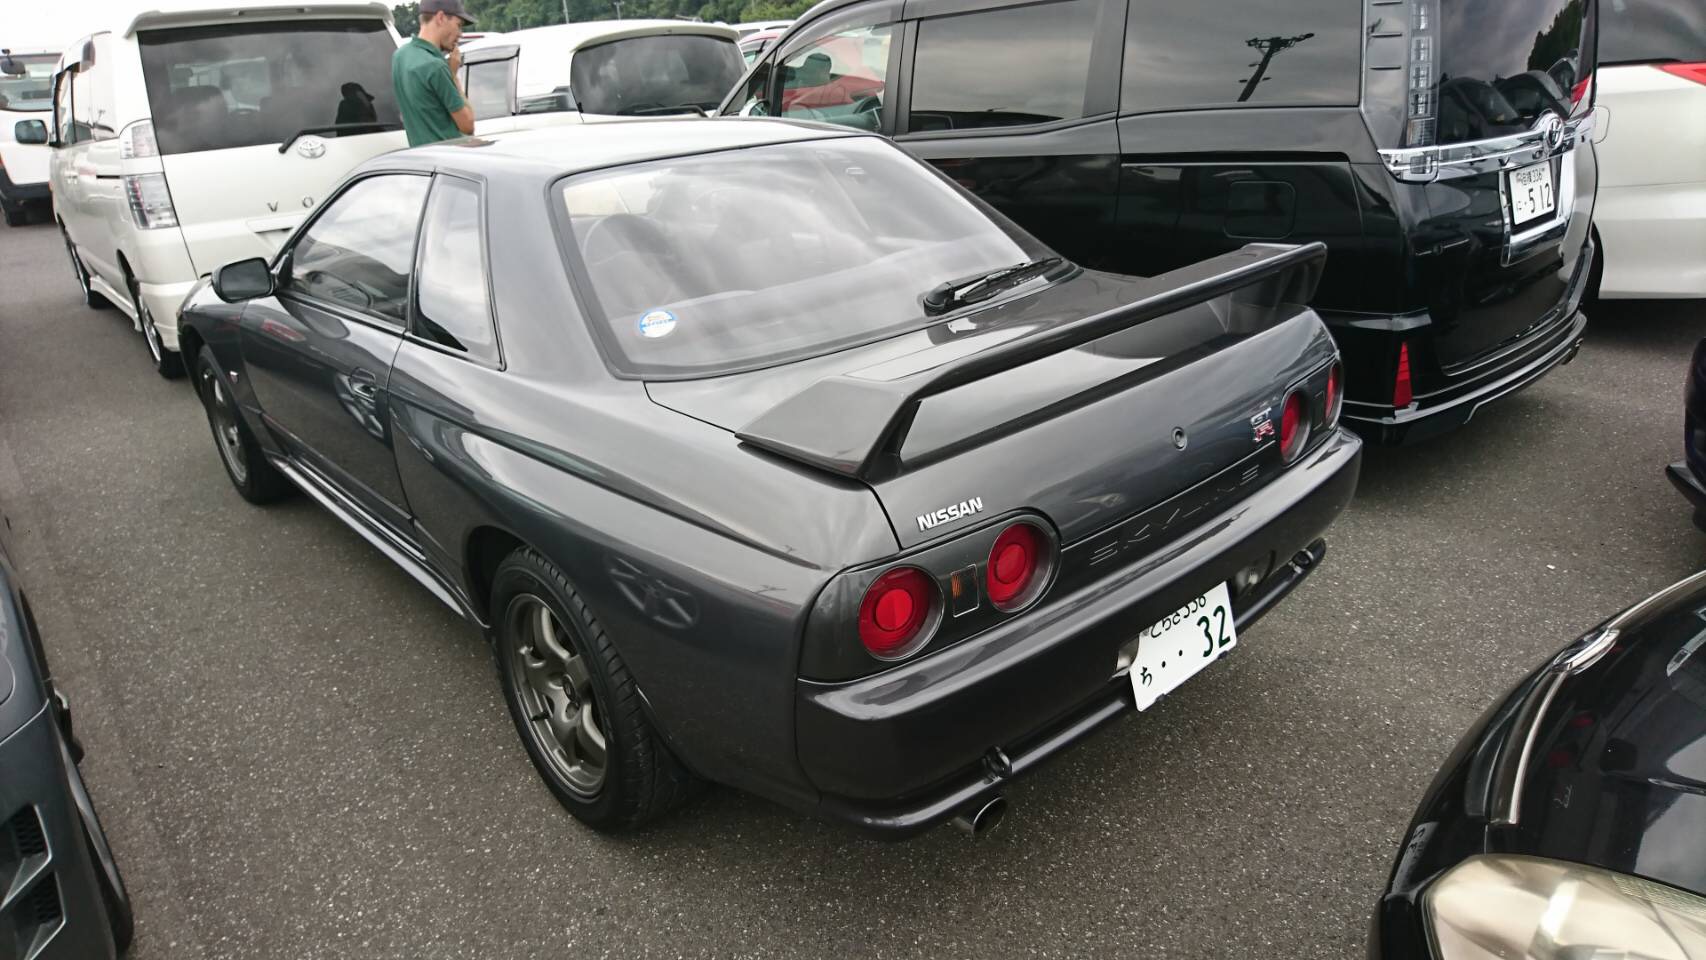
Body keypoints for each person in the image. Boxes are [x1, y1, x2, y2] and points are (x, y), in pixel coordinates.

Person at [392, 0, 476, 147]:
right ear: (441, 18)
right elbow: (468, 125)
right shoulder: (436, 67)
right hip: (448, 158)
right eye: (458, 25)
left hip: (422, 160)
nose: (460, 34)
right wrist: (453, 76)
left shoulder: (399, 57)